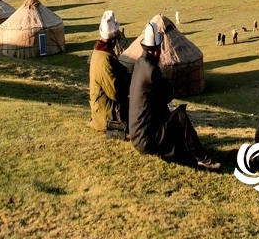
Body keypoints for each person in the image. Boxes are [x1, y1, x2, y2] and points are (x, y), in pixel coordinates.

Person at [129, 21, 221, 171]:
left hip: (137, 134)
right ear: (157, 49)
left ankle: (188, 150)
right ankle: (203, 158)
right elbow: (167, 95)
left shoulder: (139, 63)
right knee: (181, 116)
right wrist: (167, 83)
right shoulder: (152, 70)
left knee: (169, 114)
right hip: (147, 139)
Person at [88, 10, 130, 132]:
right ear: (114, 39)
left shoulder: (99, 53)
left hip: (103, 108)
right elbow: (116, 93)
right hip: (108, 115)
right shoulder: (105, 60)